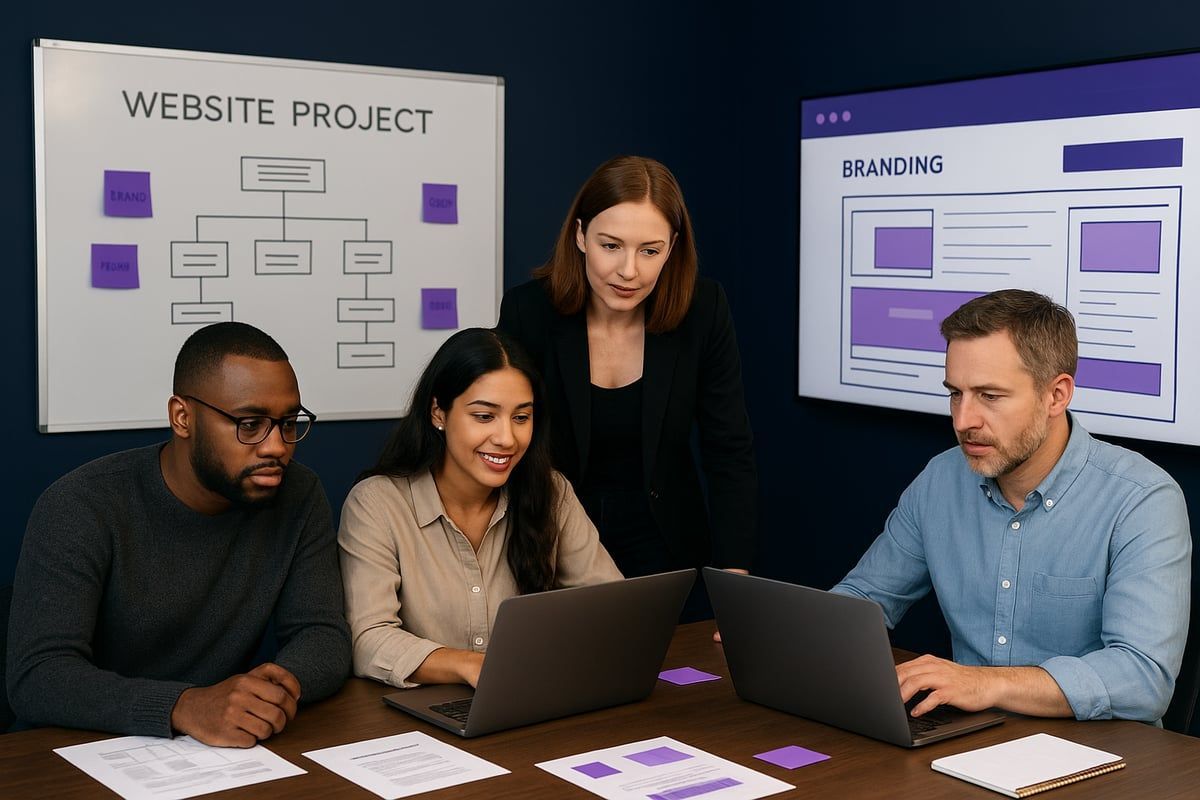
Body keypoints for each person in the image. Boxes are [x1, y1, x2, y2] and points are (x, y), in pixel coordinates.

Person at [832, 289, 1191, 723]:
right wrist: (797, 632)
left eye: (990, 396)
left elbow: (1143, 678)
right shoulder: (941, 479)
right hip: (969, 740)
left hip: (1099, 758)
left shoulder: (1141, 499)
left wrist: (986, 682)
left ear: (1056, 395)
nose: (964, 421)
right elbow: (864, 599)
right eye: (955, 394)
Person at [7, 322, 351, 746]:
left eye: (287, 422)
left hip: (220, 754)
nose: (277, 446)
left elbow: (323, 636)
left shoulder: (298, 494)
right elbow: (38, 676)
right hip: (77, 753)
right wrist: (185, 705)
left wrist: (268, 694)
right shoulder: (81, 505)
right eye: (249, 423)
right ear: (182, 417)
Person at [497, 156, 757, 593]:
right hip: (553, 538)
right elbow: (504, 437)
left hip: (667, 544)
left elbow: (729, 449)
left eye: (650, 251)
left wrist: (734, 574)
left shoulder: (704, 310)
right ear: (580, 235)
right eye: (611, 246)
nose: (629, 271)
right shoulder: (529, 311)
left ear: (672, 247)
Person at [338, 327, 621, 689]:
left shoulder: (551, 491)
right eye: (484, 416)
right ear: (438, 412)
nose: (506, 438)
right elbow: (369, 638)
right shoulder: (376, 504)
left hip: (530, 699)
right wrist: (469, 666)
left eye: (521, 417)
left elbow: (611, 610)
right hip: (418, 719)